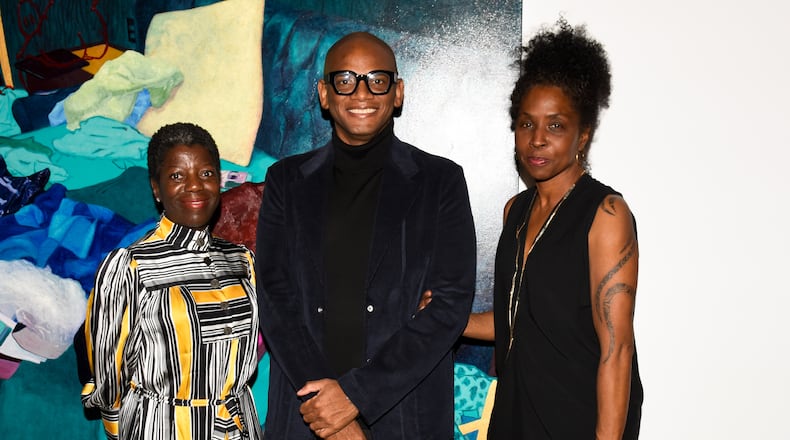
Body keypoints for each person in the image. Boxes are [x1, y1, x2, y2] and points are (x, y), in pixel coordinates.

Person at [255, 31, 476, 439]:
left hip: (405, 417)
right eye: (345, 80)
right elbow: (275, 299)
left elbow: (450, 305)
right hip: (306, 418)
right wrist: (327, 406)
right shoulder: (285, 181)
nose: (361, 93)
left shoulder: (441, 181)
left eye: (377, 79)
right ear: (324, 94)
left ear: (397, 92)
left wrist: (356, 396)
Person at [460, 18, 643, 438]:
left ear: (584, 135)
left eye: (555, 125)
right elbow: (520, 319)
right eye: (526, 124)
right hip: (516, 410)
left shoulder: (606, 213)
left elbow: (616, 351)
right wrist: (452, 319)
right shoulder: (515, 211)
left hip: (578, 415)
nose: (537, 139)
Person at [81, 122, 264, 440]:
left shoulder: (241, 261)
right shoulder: (129, 266)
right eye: (177, 176)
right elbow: (109, 378)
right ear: (156, 188)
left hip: (239, 428)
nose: (194, 186)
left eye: (206, 173)